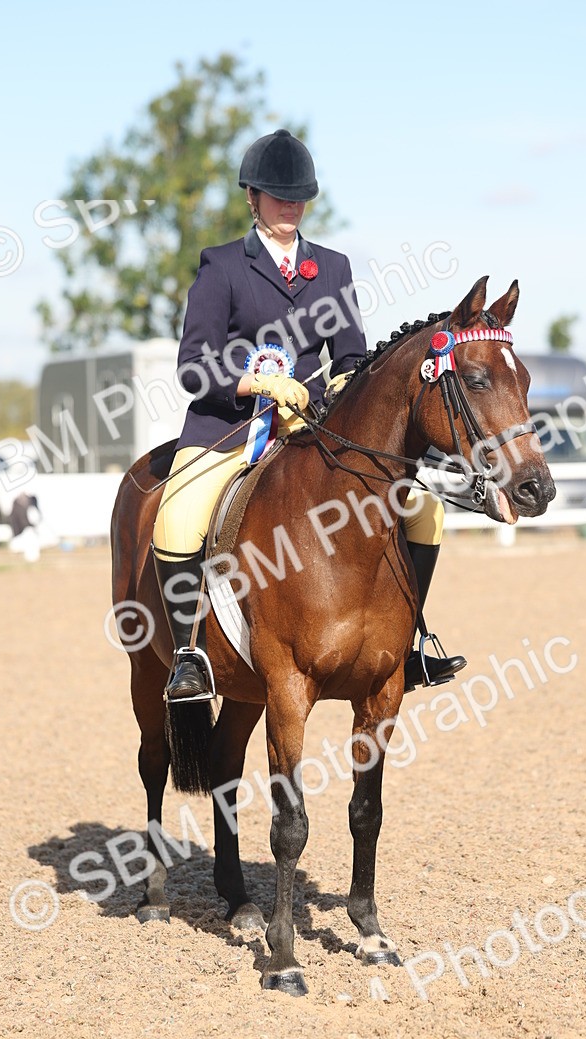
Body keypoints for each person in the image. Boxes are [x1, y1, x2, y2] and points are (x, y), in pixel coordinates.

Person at [152, 128, 466, 701]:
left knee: (423, 512)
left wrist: (346, 382)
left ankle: (409, 642)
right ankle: (188, 656)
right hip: (231, 429)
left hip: (314, 431)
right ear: (253, 197)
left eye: (298, 198)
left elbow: (350, 356)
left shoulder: (334, 267)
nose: (290, 208)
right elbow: (193, 366)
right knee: (176, 519)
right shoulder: (221, 268)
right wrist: (260, 382)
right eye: (278, 197)